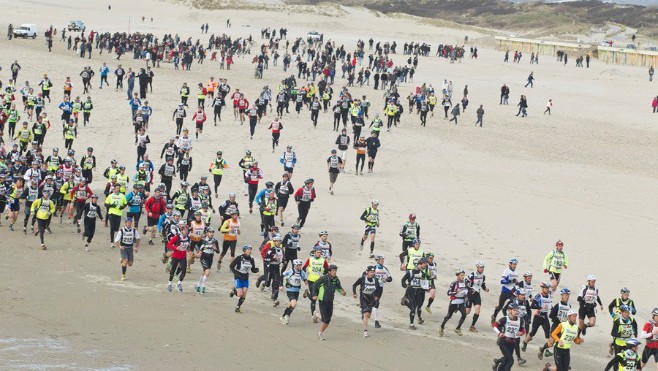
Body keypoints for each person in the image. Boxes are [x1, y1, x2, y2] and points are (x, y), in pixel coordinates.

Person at [311, 264, 346, 340]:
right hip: (322, 301)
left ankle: (316, 315)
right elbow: (314, 285)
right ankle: (320, 333)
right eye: (333, 270)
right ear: (329, 271)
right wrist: (314, 294)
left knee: (328, 320)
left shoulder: (336, 279)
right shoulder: (324, 278)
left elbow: (339, 287)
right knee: (325, 319)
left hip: (330, 301)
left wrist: (342, 292)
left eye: (335, 270)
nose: (334, 272)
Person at [538, 288, 572, 360]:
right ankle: (542, 350)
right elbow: (551, 316)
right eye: (566, 295)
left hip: (564, 328)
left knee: (564, 344)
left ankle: (563, 361)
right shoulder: (558, 305)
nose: (567, 297)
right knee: (550, 343)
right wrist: (559, 319)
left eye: (568, 295)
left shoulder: (569, 306)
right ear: (562, 296)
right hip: (556, 327)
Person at [492, 303, 526, 371]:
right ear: (509, 310)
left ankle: (497, 367)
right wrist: (499, 333)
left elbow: (523, 329)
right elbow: (494, 325)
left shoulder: (520, 320)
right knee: (511, 361)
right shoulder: (505, 319)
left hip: (512, 343)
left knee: (506, 359)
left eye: (517, 310)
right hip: (503, 341)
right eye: (514, 310)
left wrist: (521, 333)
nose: (516, 312)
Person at [522, 282, 553, 355]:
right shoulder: (539, 296)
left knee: (547, 334)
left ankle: (546, 350)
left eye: (548, 288)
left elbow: (550, 305)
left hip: (545, 317)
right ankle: (525, 342)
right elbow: (532, 306)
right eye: (546, 288)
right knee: (533, 333)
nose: (548, 289)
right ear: (542, 288)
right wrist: (539, 307)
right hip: (538, 317)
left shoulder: (549, 296)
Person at [353, 265, 383, 337]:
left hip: (371, 299)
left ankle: (363, 313)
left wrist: (377, 296)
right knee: (366, 314)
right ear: (367, 272)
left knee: (368, 315)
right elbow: (354, 285)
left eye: (373, 272)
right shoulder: (363, 278)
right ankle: (365, 331)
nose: (372, 273)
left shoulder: (375, 280)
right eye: (371, 272)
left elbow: (379, 288)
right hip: (363, 298)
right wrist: (354, 293)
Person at [229, 245, 259, 313]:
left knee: (244, 292)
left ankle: (238, 307)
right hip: (238, 277)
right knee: (240, 294)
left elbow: (252, 269)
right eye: (248, 249)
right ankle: (234, 291)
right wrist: (235, 273)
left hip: (245, 277)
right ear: (244, 250)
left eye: (250, 249)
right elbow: (231, 266)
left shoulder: (251, 259)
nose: (249, 251)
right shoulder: (239, 258)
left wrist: (256, 270)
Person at [439, 269, 469, 336]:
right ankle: (442, 326)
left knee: (464, 314)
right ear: (458, 276)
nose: (463, 277)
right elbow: (448, 293)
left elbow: (468, 290)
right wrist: (456, 292)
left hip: (461, 302)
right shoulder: (454, 283)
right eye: (461, 275)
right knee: (448, 316)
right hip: (454, 302)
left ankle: (458, 328)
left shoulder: (465, 283)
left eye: (463, 275)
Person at [304, 247, 329, 322]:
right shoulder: (310, 259)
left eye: (320, 252)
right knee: (313, 299)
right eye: (317, 252)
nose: (319, 254)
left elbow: (327, 269)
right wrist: (305, 279)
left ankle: (307, 294)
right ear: (314, 252)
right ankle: (313, 316)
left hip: (320, 281)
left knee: (320, 298)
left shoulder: (323, 260)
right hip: (311, 281)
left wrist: (324, 276)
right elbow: (304, 268)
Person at [492, 258, 520, 323]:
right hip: (505, 291)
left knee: (514, 304)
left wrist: (517, 286)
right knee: (499, 307)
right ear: (510, 264)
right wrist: (510, 281)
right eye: (513, 264)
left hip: (512, 292)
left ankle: (509, 319)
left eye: (515, 264)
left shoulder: (516, 272)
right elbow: (502, 281)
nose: (514, 266)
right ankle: (494, 317)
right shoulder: (506, 271)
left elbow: (515, 282)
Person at [280, 259, 308, 325]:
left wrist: (307, 289)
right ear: (295, 265)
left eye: (300, 265)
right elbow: (281, 276)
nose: (300, 267)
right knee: (294, 303)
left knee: (291, 305)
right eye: (298, 265)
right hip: (290, 290)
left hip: (297, 291)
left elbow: (305, 280)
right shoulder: (290, 271)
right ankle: (287, 316)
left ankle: (283, 316)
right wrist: (281, 285)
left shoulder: (302, 272)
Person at [194, 227, 219, 294]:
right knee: (207, 272)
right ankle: (203, 286)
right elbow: (196, 245)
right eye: (210, 232)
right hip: (204, 257)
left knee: (204, 272)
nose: (211, 234)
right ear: (207, 233)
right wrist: (198, 251)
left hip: (210, 258)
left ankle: (198, 285)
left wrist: (215, 249)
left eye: (212, 232)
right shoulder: (203, 240)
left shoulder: (215, 241)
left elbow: (218, 251)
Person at [166, 221, 190, 292]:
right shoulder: (177, 237)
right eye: (185, 230)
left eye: (187, 230)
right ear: (182, 230)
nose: (186, 231)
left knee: (184, 270)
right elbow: (169, 244)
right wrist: (176, 248)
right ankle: (169, 283)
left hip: (183, 256)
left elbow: (188, 245)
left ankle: (179, 283)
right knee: (172, 270)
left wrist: (188, 248)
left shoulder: (188, 238)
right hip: (176, 256)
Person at [114, 216, 140, 281]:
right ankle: (123, 275)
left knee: (130, 264)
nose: (129, 224)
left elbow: (138, 238)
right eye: (128, 222)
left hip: (130, 248)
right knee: (125, 261)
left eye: (130, 222)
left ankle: (122, 259)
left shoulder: (134, 230)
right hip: (123, 248)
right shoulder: (121, 231)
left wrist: (136, 246)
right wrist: (120, 246)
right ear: (125, 223)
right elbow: (116, 241)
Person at [466, 260, 489, 332]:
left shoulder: (483, 276)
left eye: (483, 267)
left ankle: (472, 326)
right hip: (470, 295)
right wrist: (470, 289)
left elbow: (482, 285)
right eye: (481, 267)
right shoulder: (472, 275)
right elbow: (466, 284)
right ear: (477, 267)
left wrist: (485, 289)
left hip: (477, 295)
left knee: (477, 310)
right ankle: (459, 308)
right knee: (467, 311)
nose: (482, 269)